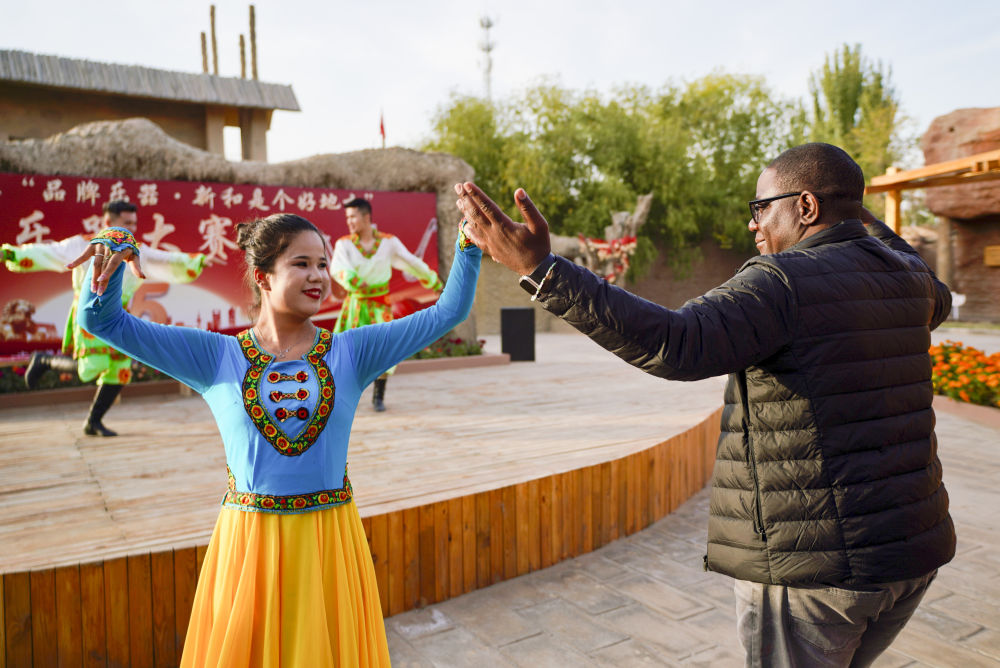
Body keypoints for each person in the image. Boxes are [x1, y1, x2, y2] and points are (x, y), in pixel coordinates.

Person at [455, 143, 955, 668]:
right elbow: (932, 288)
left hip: (815, 571)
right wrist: (854, 213)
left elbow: (677, 342)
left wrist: (541, 268)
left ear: (806, 207)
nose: (753, 223)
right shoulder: (911, 277)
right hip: (910, 556)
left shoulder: (782, 282)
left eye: (761, 207)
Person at [71, 212, 481, 666]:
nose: (318, 276)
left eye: (322, 264)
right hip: (249, 552)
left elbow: (449, 312)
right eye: (301, 264)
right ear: (263, 277)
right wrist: (115, 243)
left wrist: (469, 242)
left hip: (328, 548)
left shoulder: (353, 351)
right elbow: (101, 321)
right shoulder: (215, 357)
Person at [2, 200, 207, 436]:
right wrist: (10, 253)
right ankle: (45, 361)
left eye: (134, 223)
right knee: (92, 365)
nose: (132, 228)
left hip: (120, 314)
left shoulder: (135, 249)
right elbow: (48, 252)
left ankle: (93, 421)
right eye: (126, 223)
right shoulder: (82, 243)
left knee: (120, 370)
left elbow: (165, 260)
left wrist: (196, 261)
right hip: (91, 311)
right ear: (108, 221)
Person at [330, 197, 443, 411]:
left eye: (353, 217)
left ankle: (378, 396)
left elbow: (410, 261)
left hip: (380, 306)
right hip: (355, 305)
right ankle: (342, 398)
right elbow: (338, 267)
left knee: (382, 350)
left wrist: (433, 281)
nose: (349, 222)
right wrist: (353, 280)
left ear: (366, 217)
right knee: (345, 352)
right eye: (347, 218)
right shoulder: (344, 244)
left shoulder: (388, 242)